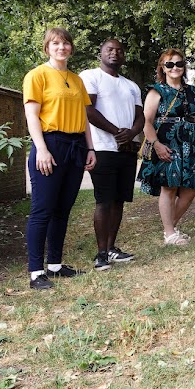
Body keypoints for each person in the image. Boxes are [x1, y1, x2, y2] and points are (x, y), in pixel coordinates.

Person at [22, 27, 97, 290]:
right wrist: (41, 149)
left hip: (76, 145)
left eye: (65, 43)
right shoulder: (37, 76)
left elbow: (84, 117)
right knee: (42, 211)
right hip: (51, 143)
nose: (61, 47)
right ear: (47, 47)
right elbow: (32, 116)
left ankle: (54, 265)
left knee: (62, 210)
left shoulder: (76, 80)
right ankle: (35, 272)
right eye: (55, 43)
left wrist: (90, 148)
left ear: (71, 48)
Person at [80, 38, 145, 271]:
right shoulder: (91, 77)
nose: (114, 53)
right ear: (101, 53)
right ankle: (100, 255)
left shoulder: (131, 86)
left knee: (119, 201)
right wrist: (116, 131)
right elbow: (88, 111)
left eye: (119, 50)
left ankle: (111, 248)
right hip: (103, 148)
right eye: (109, 49)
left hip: (126, 150)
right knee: (104, 201)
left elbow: (140, 116)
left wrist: (132, 133)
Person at [138, 49, 195, 245]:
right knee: (169, 187)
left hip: (191, 143)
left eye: (179, 64)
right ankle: (170, 233)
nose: (175, 68)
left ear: (184, 66)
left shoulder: (192, 91)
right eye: (169, 64)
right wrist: (156, 145)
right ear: (162, 68)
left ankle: (169, 228)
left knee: (190, 189)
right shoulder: (157, 91)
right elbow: (146, 122)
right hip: (167, 142)